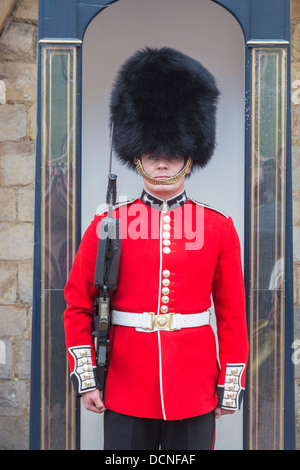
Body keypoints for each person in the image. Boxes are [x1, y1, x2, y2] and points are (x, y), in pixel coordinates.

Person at [64, 47, 249, 450]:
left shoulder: (218, 227)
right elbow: (78, 303)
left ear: (188, 157)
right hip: (126, 387)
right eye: (153, 156)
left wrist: (229, 383)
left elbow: (233, 313)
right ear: (138, 159)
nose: (162, 165)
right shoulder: (107, 223)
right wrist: (87, 377)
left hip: (194, 387)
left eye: (170, 156)